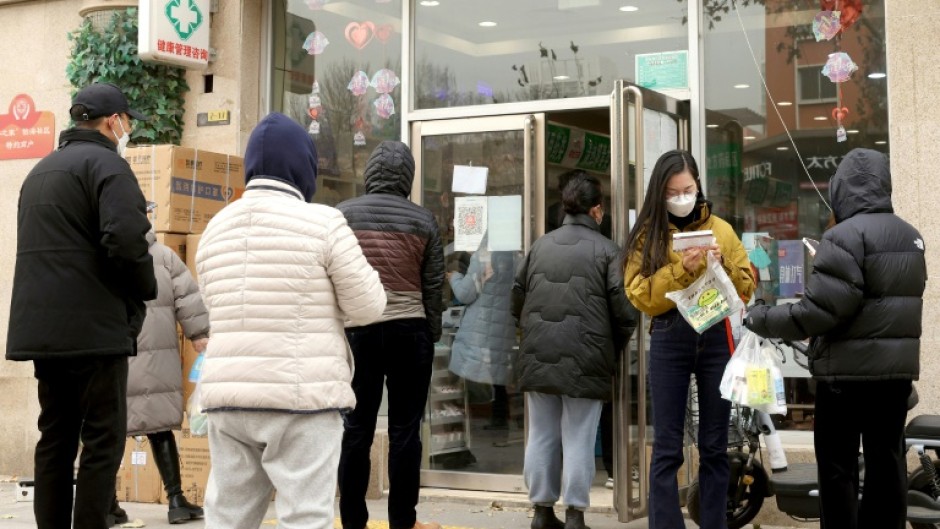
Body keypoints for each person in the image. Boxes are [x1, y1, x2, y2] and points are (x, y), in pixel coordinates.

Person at [194, 113, 387, 529]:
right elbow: (370, 304)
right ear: (304, 167)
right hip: (302, 396)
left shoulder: (214, 228)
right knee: (304, 516)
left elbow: (215, 304)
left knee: (228, 515)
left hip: (228, 398)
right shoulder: (323, 223)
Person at [744, 148, 926, 529]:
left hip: (844, 378)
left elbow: (817, 313)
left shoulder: (843, 236)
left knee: (837, 468)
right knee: (887, 463)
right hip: (894, 378)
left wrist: (760, 316)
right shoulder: (911, 237)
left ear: (841, 188)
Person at [5, 82, 156, 529]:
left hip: (45, 335)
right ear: (114, 122)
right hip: (95, 331)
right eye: (127, 121)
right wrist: (142, 292)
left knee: (55, 438)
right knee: (102, 441)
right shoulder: (109, 167)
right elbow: (126, 240)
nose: (128, 129)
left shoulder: (40, 171)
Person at [623, 149, 754, 529]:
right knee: (667, 446)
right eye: (672, 192)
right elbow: (640, 295)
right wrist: (682, 269)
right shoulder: (648, 235)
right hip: (669, 336)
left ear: (698, 185)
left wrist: (720, 262)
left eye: (688, 189)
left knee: (715, 446)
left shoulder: (723, 231)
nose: (682, 197)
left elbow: (745, 288)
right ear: (659, 193)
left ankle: (715, 523)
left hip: (716, 337)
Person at [512, 173, 637, 529]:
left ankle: (541, 511)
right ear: (597, 210)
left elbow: (516, 297)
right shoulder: (609, 251)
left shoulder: (540, 245)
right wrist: (611, 347)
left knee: (541, 433)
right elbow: (625, 313)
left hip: (538, 354)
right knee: (579, 435)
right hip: (587, 358)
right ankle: (575, 515)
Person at [336, 140, 445, 529]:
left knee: (356, 428)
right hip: (408, 332)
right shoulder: (424, 220)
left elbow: (331, 279)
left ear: (370, 174)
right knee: (405, 431)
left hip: (357, 333)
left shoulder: (342, 215)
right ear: (408, 177)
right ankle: (403, 521)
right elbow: (434, 288)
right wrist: (431, 334)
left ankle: (352, 521)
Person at [109, 223, 211, 525]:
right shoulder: (163, 256)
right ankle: (176, 500)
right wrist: (199, 333)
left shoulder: (102, 253)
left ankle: (106, 502)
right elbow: (188, 298)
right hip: (157, 354)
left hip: (115, 351)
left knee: (110, 428)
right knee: (159, 427)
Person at [448, 242, 519, 430]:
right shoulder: (516, 256)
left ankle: (456, 425)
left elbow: (465, 294)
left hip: (483, 325)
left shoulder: (483, 255)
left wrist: (454, 277)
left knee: (462, 373)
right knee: (499, 375)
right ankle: (500, 418)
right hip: (505, 324)